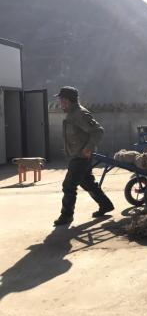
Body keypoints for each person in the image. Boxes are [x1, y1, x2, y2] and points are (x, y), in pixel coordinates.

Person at [53, 86, 114, 226]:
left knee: (68, 185)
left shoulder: (80, 114)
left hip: (81, 156)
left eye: (61, 99)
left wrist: (89, 147)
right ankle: (106, 205)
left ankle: (66, 216)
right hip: (76, 155)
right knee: (87, 182)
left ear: (68, 100)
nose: (60, 102)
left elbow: (98, 131)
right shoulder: (71, 114)